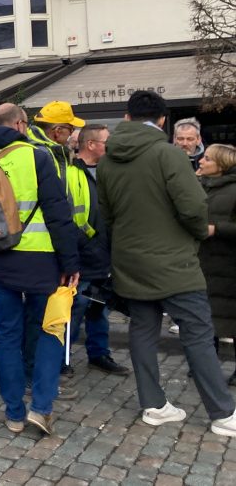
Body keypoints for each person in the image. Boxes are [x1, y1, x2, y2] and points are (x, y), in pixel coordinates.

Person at [97, 90, 236, 436]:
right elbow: (193, 209)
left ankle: (154, 405)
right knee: (199, 333)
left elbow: (108, 215)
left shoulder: (108, 159)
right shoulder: (168, 154)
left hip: (130, 260)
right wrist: (194, 234)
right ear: (162, 121)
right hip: (174, 262)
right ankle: (222, 412)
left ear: (127, 117)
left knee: (142, 330)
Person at [0, 103, 80, 435]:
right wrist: (71, 263)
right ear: (20, 125)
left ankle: (13, 412)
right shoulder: (38, 156)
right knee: (49, 330)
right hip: (41, 260)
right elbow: (58, 212)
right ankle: (41, 407)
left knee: (8, 335)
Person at [65, 124, 130, 376]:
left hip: (107, 251)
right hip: (83, 253)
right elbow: (69, 216)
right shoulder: (70, 172)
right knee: (76, 306)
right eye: (106, 141)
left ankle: (99, 354)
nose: (110, 145)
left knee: (100, 306)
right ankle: (62, 357)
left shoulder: (110, 170)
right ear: (91, 144)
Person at [196, 143, 236, 387]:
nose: (201, 160)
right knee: (203, 318)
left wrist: (217, 229)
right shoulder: (198, 184)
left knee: (231, 319)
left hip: (229, 266)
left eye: (207, 158)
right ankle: (205, 367)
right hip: (202, 262)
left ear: (221, 165)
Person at [27, 100, 85, 188]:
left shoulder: (30, 148)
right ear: (58, 131)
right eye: (71, 129)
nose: (71, 134)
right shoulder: (45, 156)